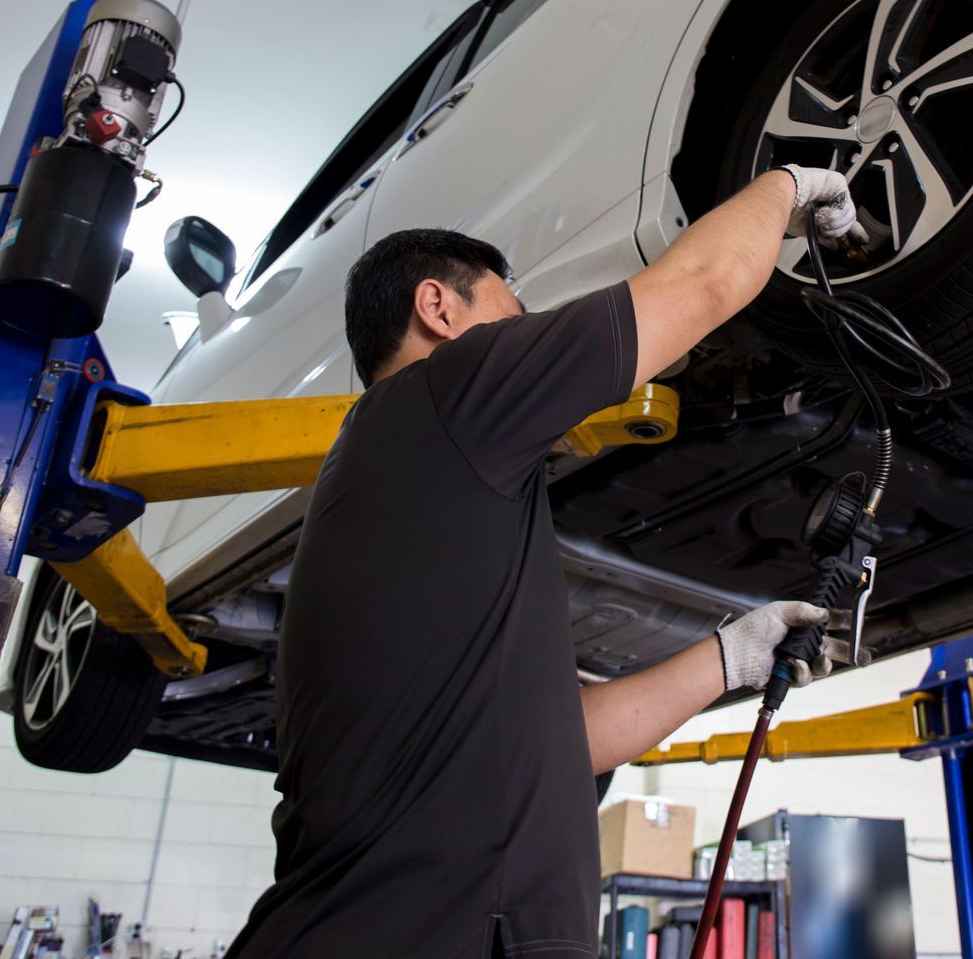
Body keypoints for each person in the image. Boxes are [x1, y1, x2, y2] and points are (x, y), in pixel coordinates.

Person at [227, 166, 864, 957]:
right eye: (513, 312)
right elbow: (703, 282)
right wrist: (789, 187)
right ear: (438, 308)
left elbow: (560, 741)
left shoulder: (406, 469)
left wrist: (730, 658)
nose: (526, 330)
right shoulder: (446, 393)